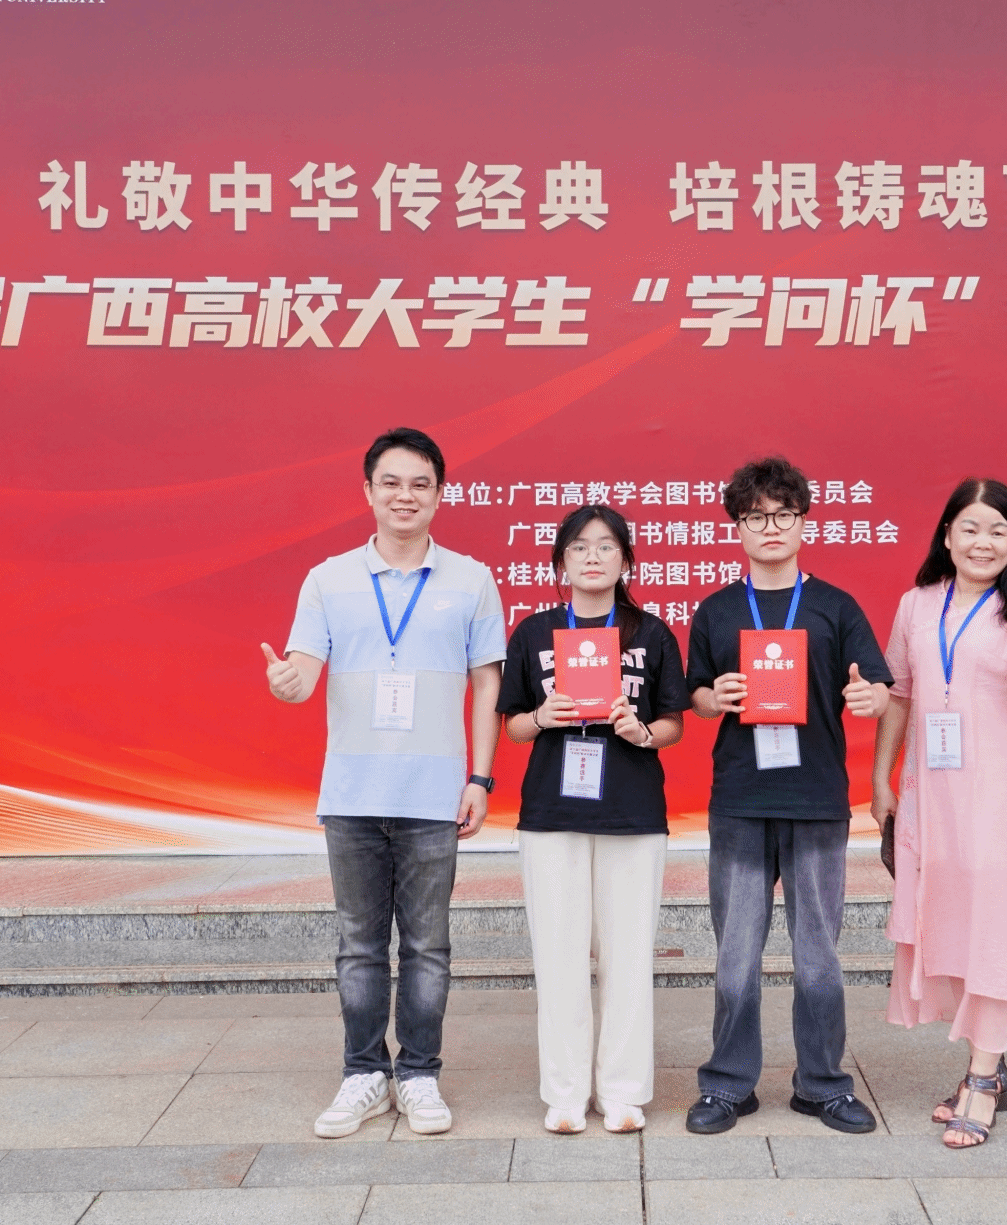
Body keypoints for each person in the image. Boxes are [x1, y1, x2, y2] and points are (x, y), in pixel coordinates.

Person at [261, 427, 505, 1140]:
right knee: (359, 944)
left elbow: (487, 683)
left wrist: (480, 776)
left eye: (420, 484)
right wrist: (287, 684)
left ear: (440, 494)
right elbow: (304, 671)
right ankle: (364, 1073)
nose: (405, 496)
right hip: (353, 792)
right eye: (391, 483)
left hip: (435, 793)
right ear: (368, 491)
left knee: (427, 944)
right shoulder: (328, 579)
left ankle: (420, 1074)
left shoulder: (470, 579)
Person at [682, 456, 893, 1135]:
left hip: (817, 800)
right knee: (736, 955)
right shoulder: (716, 610)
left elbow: (878, 685)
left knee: (819, 954)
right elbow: (694, 695)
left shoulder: (837, 606)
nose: (770, 527)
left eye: (783, 514)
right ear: (737, 528)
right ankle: (727, 1085)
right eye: (756, 516)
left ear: (804, 522)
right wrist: (714, 696)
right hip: (740, 800)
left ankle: (823, 1085)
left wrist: (869, 697)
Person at [871, 477, 1007, 1149]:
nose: (983, 542)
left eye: (998, 531)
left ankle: (982, 1080)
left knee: (993, 928)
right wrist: (880, 779)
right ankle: (991, 1063)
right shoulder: (916, 605)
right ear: (948, 535)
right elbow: (900, 694)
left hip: (996, 799)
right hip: (931, 795)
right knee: (952, 926)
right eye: (971, 528)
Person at [498, 505, 690, 1134]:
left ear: (626, 560)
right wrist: (542, 718)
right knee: (558, 956)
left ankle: (624, 1091)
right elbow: (514, 725)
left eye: (607, 546)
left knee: (628, 956)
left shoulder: (651, 633)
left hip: (632, 812)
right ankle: (564, 1092)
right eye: (579, 547)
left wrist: (641, 731)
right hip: (551, 812)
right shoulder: (534, 632)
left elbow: (673, 723)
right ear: (560, 562)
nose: (592, 557)